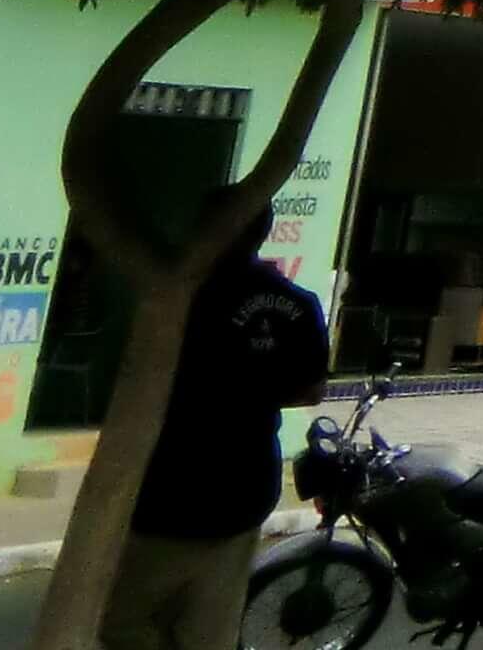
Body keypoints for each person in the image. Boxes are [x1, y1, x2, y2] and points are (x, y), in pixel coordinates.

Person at [99, 209, 330, 650]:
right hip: (245, 479)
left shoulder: (178, 297)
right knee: (209, 627)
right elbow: (312, 390)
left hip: (173, 481)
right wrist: (254, 387)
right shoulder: (297, 303)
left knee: (121, 620)